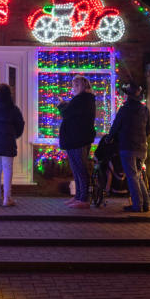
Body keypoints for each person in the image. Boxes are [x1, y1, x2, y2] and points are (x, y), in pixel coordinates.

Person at [106, 84, 150, 212]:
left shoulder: (124, 109)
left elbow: (115, 127)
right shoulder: (145, 110)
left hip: (127, 147)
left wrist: (110, 138)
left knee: (132, 176)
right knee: (138, 175)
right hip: (142, 147)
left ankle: (137, 205)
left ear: (128, 95)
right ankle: (145, 204)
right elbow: (149, 130)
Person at [58, 75, 96, 209]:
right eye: (73, 85)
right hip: (75, 139)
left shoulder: (83, 100)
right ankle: (79, 196)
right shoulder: (82, 100)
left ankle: (83, 198)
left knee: (80, 169)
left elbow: (67, 113)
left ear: (82, 86)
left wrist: (62, 105)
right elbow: (72, 113)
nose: (73, 88)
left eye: (75, 85)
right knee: (77, 169)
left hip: (78, 139)